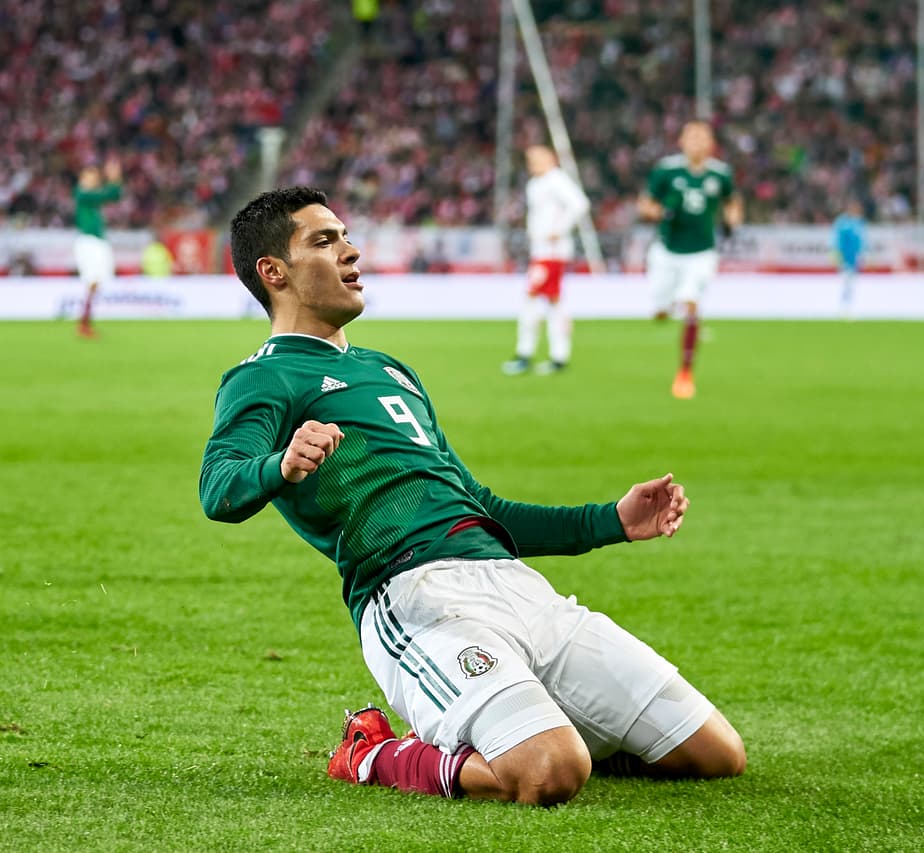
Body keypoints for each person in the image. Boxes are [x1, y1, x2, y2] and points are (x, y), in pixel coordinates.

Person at [199, 187, 745, 807]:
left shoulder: (392, 371)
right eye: (324, 242)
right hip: (413, 598)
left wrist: (610, 521)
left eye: (346, 236)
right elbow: (219, 486)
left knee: (716, 755)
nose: (351, 251)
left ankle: (524, 723)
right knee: (550, 773)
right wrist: (281, 465)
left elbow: (481, 506)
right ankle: (371, 754)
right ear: (274, 272)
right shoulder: (262, 376)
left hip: (515, 585)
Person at [638, 121, 743, 400]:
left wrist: (733, 218)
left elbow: (732, 201)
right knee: (660, 312)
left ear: (711, 143)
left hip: (701, 252)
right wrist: (658, 212)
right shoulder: (666, 170)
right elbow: (646, 203)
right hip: (666, 251)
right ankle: (666, 304)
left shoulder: (720, 173)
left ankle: (685, 373)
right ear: (681, 141)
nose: (696, 142)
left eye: (702, 137)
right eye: (691, 137)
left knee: (692, 305)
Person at [502, 145, 590, 376]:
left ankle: (525, 353)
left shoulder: (556, 180)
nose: (532, 164)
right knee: (554, 301)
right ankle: (559, 356)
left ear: (550, 159)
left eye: (537, 159)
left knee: (531, 296)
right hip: (541, 250)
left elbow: (580, 204)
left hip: (552, 252)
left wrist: (559, 229)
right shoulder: (536, 184)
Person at [72, 159, 123, 338]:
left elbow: (114, 196)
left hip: (98, 242)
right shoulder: (81, 193)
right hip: (89, 242)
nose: (94, 180)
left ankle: (85, 321)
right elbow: (109, 194)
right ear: (83, 177)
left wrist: (115, 179)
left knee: (97, 282)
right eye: (90, 176)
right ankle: (84, 323)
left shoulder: (90, 196)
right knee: (92, 281)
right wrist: (114, 179)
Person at [831, 200, 866, 317]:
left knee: (851, 283)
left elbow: (861, 241)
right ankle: (843, 306)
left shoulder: (858, 222)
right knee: (846, 282)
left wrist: (861, 255)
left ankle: (848, 306)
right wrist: (837, 255)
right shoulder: (842, 222)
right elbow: (836, 241)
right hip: (844, 257)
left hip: (854, 258)